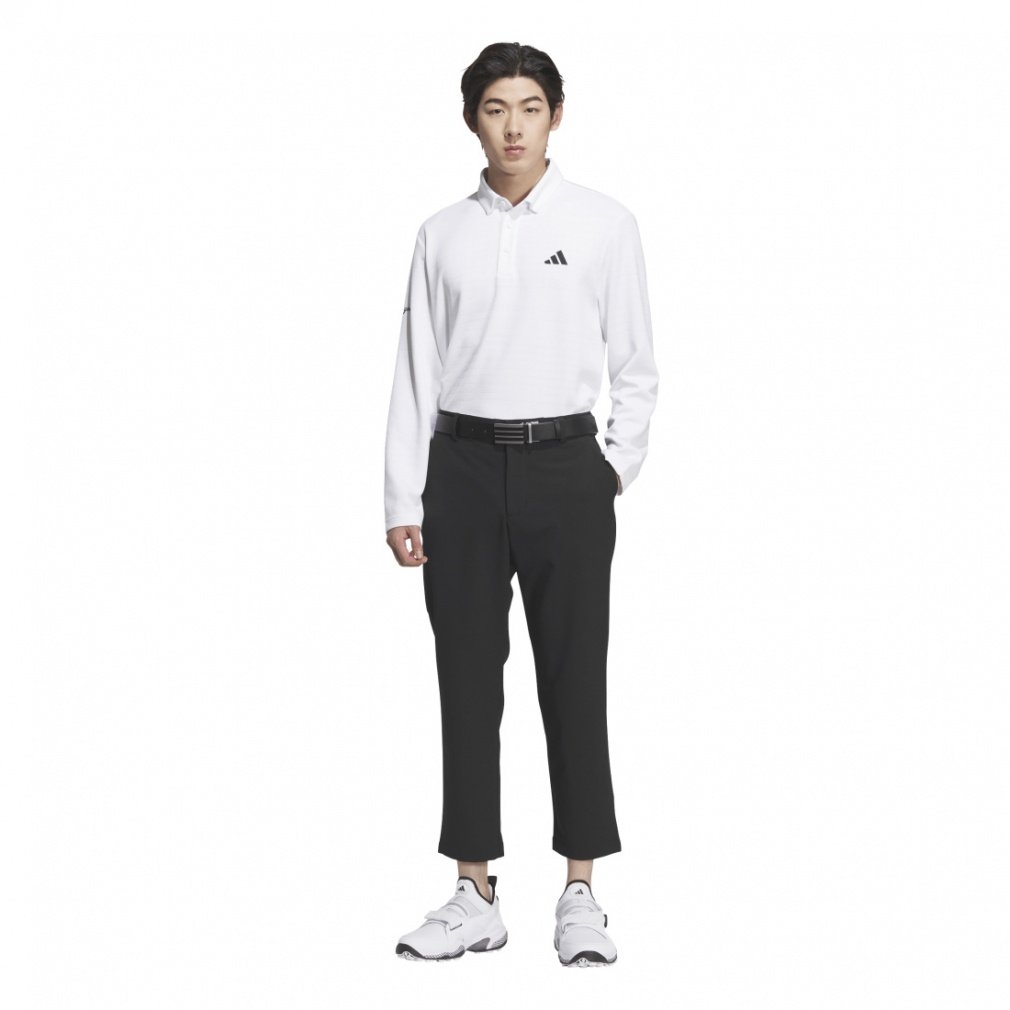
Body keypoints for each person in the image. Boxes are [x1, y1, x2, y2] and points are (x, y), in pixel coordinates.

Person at [383, 41, 659, 966]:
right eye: (496, 108)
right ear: (473, 119)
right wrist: (402, 496)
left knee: (574, 678)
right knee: (466, 681)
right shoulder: (441, 234)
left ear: (556, 117)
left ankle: (581, 891)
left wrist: (609, 470)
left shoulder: (604, 224)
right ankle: (474, 891)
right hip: (459, 471)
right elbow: (415, 371)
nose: (513, 127)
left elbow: (637, 364)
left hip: (566, 470)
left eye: (530, 108)